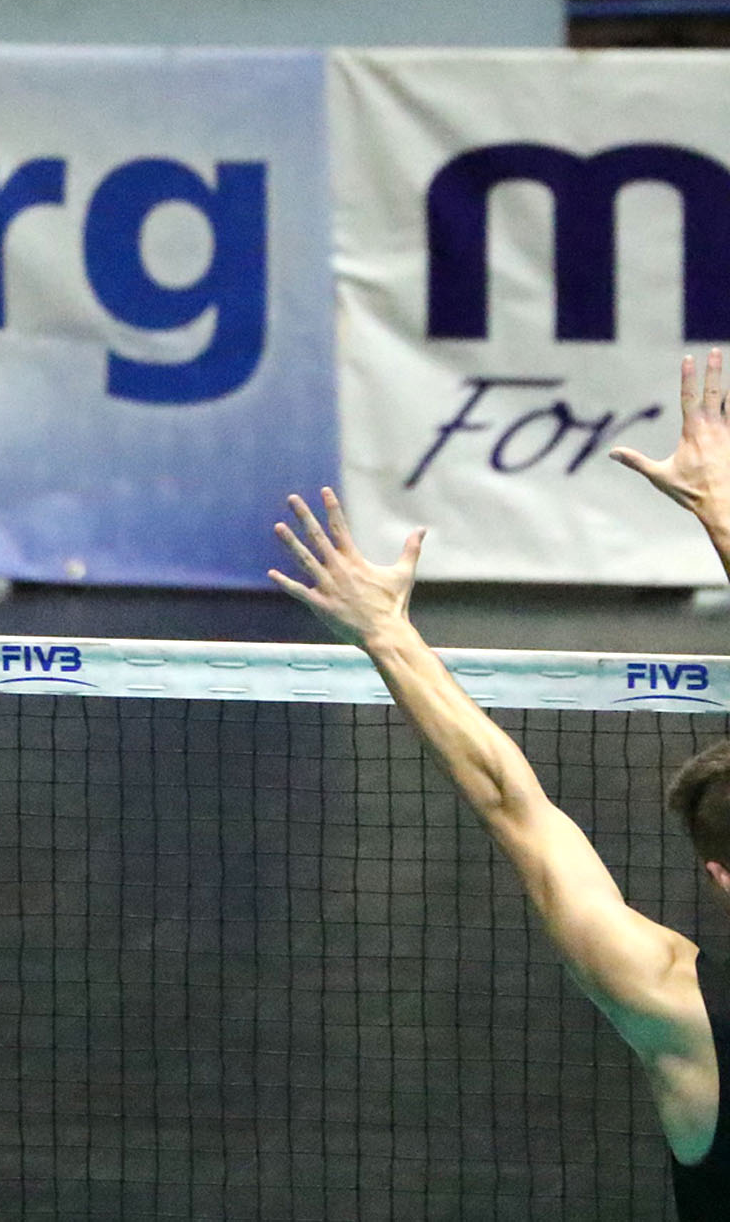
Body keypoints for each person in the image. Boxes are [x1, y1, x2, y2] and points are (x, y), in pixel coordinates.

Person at [270, 349, 730, 1219]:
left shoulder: (669, 997)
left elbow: (514, 805)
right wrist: (722, 509)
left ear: (718, 872)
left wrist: (388, 634)